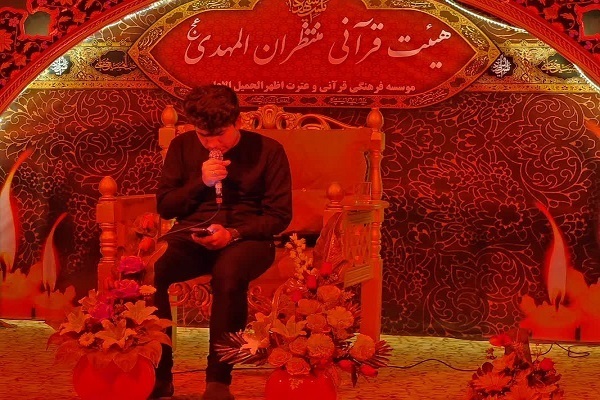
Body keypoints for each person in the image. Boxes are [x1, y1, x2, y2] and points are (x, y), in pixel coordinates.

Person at [151, 84, 292, 399]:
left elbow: (279, 216)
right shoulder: (182, 146)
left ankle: (218, 379)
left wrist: (234, 234)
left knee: (228, 275)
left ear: (238, 122)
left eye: (220, 135)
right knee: (151, 270)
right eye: (204, 136)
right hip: (193, 233)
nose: (213, 144)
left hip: (249, 238)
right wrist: (200, 182)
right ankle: (159, 373)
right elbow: (167, 207)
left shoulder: (269, 151)